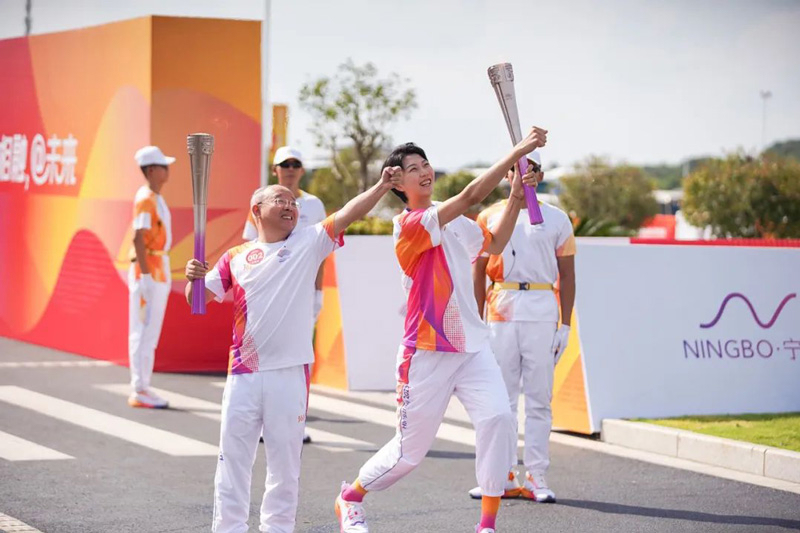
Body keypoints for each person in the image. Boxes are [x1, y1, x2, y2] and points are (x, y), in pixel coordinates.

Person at [334, 126, 548, 533]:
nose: (424, 171)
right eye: (412, 168)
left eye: (425, 164)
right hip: (427, 351)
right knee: (409, 454)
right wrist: (516, 152)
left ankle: (487, 524)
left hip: (472, 347)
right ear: (398, 184)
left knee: (499, 420)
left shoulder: (455, 222)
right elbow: (469, 196)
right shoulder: (410, 225)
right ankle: (351, 497)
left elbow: (495, 243)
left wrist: (516, 195)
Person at [185, 169, 401, 533]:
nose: (290, 206)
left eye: (293, 202)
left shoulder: (308, 242)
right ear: (257, 210)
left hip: (289, 373)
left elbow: (348, 213)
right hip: (243, 374)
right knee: (233, 460)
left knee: (284, 466)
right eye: (280, 200)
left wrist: (381, 186)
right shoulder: (236, 257)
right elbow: (198, 301)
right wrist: (193, 279)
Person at [468, 151, 576, 503]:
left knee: (539, 398)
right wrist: (477, 320)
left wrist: (565, 324)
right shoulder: (490, 216)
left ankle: (536, 475)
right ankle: (500, 475)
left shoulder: (557, 219)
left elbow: (567, 274)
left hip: (542, 309)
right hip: (501, 309)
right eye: (516, 168)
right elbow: (478, 272)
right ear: (506, 174)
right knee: (502, 400)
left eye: (531, 169)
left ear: (540, 175)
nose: (523, 174)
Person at [243, 146, 326, 444]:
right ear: (275, 169)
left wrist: (318, 291)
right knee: (265, 356)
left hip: (302, 295)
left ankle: (296, 422)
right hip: (268, 294)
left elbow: (321, 252)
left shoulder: (313, 205)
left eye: (295, 164)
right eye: (284, 164)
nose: (290, 169)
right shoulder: (262, 201)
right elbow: (249, 247)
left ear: (302, 170)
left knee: (300, 359)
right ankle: (262, 422)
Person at [127, 145, 175, 409]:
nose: (168, 170)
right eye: (164, 166)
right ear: (152, 170)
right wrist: (145, 275)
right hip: (148, 270)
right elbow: (138, 236)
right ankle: (139, 388)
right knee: (143, 331)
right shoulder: (145, 199)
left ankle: (143, 385)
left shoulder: (156, 198)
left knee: (150, 332)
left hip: (158, 267)